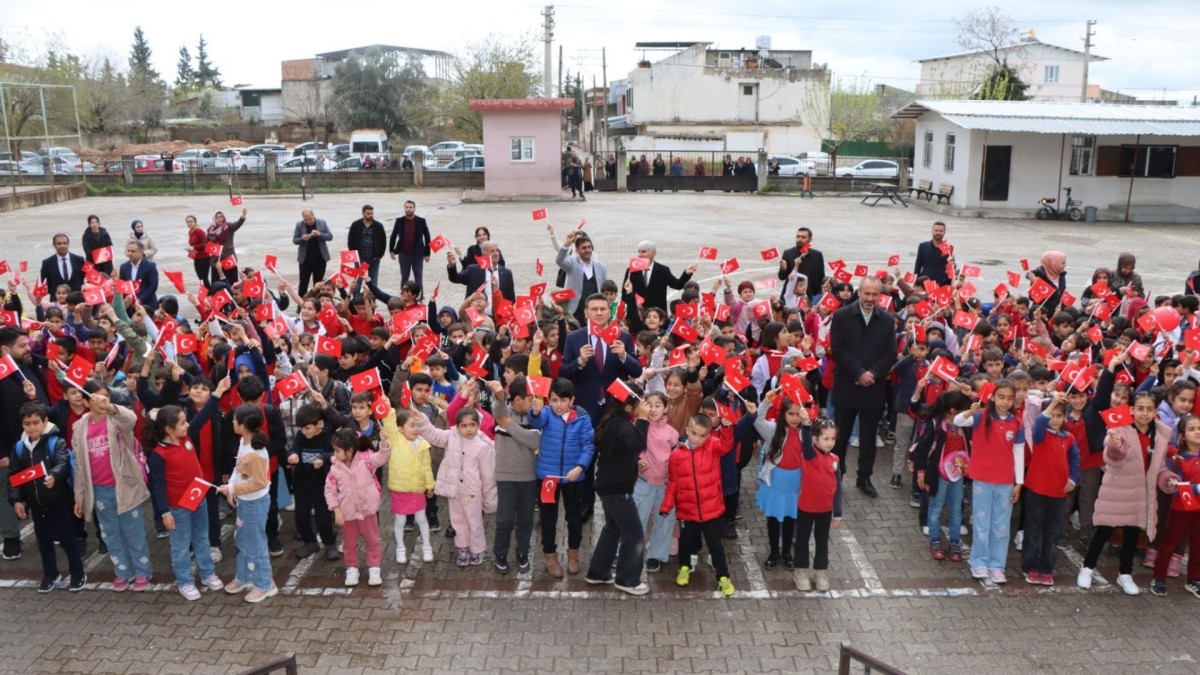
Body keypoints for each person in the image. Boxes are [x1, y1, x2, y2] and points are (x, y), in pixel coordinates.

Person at [1078, 391, 1169, 595]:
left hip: (1140, 496)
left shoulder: (1159, 437)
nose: (1144, 413)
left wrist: (1167, 479)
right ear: (1131, 410)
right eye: (1140, 408)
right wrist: (1115, 447)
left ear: (1155, 411)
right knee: (1103, 531)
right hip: (1116, 491)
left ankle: (1125, 574)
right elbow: (1111, 459)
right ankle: (1087, 568)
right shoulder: (1119, 431)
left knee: (1131, 535)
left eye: (1149, 409)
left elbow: (1160, 467)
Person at [71, 382, 152, 593]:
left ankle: (143, 571)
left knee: (133, 532)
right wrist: (79, 496)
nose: (101, 401)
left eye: (105, 396)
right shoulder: (79, 427)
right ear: (86, 401)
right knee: (110, 534)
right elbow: (79, 464)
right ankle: (123, 572)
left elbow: (132, 418)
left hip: (124, 486)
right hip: (98, 490)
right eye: (96, 397)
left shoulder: (116, 420)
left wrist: (111, 407)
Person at [146, 404, 225, 601]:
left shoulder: (186, 438)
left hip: (197, 500)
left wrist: (216, 395)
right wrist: (165, 513)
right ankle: (184, 581)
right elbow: (158, 487)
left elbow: (203, 416)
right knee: (180, 546)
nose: (187, 424)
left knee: (202, 538)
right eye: (182, 422)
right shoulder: (158, 455)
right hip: (178, 507)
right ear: (168, 428)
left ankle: (207, 573)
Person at [829, 278, 896, 497]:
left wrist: (873, 374)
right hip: (847, 386)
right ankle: (836, 477)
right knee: (839, 437)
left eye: (874, 295)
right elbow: (838, 348)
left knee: (868, 439)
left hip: (873, 389)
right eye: (866, 294)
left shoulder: (887, 320)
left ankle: (864, 478)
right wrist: (859, 372)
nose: (869, 299)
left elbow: (890, 353)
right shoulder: (841, 316)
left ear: (880, 295)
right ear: (859, 292)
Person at [953, 379, 1024, 584]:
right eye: (1001, 397)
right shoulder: (981, 416)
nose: (1005, 402)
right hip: (982, 480)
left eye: (1010, 398)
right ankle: (979, 562)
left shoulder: (1016, 422)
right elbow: (958, 421)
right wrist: (970, 411)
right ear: (992, 397)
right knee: (982, 524)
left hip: (1005, 481)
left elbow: (1018, 453)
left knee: (1001, 526)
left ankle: (997, 565)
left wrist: (1019, 482)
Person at [9, 402, 86, 592]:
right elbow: (14, 476)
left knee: (68, 538)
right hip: (36, 504)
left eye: (36, 422)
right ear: (22, 425)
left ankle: (78, 573)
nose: (32, 427)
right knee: (43, 541)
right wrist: (17, 500)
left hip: (58, 501)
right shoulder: (19, 448)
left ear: (45, 422)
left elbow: (63, 463)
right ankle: (51, 574)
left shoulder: (55, 442)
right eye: (27, 423)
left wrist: (54, 475)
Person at [584, 384, 651, 595]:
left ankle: (598, 572)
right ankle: (627, 579)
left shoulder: (615, 422)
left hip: (609, 486)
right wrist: (644, 419)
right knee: (634, 534)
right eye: (640, 402)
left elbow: (622, 450)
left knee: (612, 529)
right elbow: (636, 443)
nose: (644, 405)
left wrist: (634, 462)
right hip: (617, 490)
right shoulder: (623, 425)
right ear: (630, 407)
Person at [661, 413, 736, 596]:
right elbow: (673, 483)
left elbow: (727, 445)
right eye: (694, 433)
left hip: (713, 510)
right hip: (687, 511)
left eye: (703, 435)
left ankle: (723, 576)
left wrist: (726, 428)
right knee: (685, 543)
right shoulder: (676, 456)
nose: (697, 439)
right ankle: (684, 568)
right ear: (687, 430)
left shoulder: (713, 446)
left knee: (716, 545)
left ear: (709, 435)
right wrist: (666, 505)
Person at [413, 406, 497, 567]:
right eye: (464, 426)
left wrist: (489, 500)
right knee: (458, 521)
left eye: (472, 425)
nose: (468, 429)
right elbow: (433, 434)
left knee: (474, 522)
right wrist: (421, 420)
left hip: (472, 491)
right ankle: (463, 548)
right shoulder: (450, 436)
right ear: (457, 426)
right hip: (454, 490)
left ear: (478, 425)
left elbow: (488, 476)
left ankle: (477, 549)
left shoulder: (484, 446)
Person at [527, 378, 595, 578]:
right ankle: (550, 554)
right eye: (554, 400)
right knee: (548, 518)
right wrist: (536, 411)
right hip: (548, 477)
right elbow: (535, 421)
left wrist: (580, 467)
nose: (558, 405)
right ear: (549, 400)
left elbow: (588, 445)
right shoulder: (546, 413)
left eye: (562, 400)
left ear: (571, 400)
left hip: (572, 478)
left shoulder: (582, 417)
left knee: (574, 518)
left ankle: (574, 553)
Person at [217, 405, 276, 603]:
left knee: (256, 544)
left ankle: (265, 584)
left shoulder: (256, 453)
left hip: (255, 504)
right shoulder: (244, 442)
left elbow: (258, 482)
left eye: (234, 420)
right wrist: (232, 486)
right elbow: (238, 467)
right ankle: (244, 577)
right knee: (241, 539)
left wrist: (232, 490)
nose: (232, 422)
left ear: (242, 426)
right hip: (245, 502)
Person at [1022, 393, 1080, 586]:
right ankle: (1030, 567)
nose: (1055, 419)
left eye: (1059, 415)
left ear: (1065, 417)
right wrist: (1053, 402)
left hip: (1058, 494)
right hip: (1036, 491)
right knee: (1032, 532)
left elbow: (1075, 461)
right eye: (1052, 415)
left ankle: (1046, 568)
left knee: (1052, 533)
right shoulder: (1041, 435)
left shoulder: (1069, 438)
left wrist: (1072, 479)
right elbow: (1039, 424)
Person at [325, 425, 392, 587]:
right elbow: (329, 491)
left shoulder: (367, 460)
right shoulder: (335, 469)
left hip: (368, 510)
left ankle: (374, 567)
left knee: (373, 540)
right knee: (348, 543)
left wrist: (384, 443)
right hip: (347, 514)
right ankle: (351, 568)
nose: (335, 454)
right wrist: (336, 509)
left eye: (337, 450)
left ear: (349, 450)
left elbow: (383, 457)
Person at [489, 379, 541, 575]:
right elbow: (499, 406)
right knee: (504, 520)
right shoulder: (504, 413)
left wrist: (511, 426)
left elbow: (534, 440)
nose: (534, 401)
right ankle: (500, 554)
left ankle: (522, 553)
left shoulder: (536, 417)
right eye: (530, 398)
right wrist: (500, 395)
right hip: (506, 476)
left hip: (528, 477)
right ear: (517, 399)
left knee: (526, 519)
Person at [914, 389, 973, 563]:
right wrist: (921, 472)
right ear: (953, 411)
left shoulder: (964, 425)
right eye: (964, 410)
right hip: (937, 475)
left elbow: (979, 404)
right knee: (935, 508)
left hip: (957, 475)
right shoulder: (935, 425)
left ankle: (955, 542)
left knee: (956, 509)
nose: (967, 413)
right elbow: (922, 450)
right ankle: (935, 540)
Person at [754, 393, 806, 570]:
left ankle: (786, 554)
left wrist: (807, 421)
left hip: (795, 481)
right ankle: (774, 552)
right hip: (776, 479)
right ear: (783, 413)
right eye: (790, 413)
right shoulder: (774, 429)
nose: (794, 418)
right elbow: (758, 421)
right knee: (774, 519)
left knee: (791, 517)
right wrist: (766, 401)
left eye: (798, 414)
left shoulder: (806, 431)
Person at [1151, 415, 1200, 597]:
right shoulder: (1178, 459)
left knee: (1197, 547)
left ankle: (1194, 579)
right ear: (1182, 436)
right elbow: (1174, 486)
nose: (1197, 432)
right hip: (1181, 509)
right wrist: (1196, 488)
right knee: (1169, 544)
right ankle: (1159, 577)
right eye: (1192, 429)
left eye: (1199, 428)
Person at [793, 414, 843, 592]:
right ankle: (800, 572)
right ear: (815, 439)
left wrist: (837, 511)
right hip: (806, 507)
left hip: (825, 510)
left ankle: (820, 572)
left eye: (832, 439)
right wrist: (806, 424)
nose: (830, 442)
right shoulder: (809, 454)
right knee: (802, 540)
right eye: (825, 438)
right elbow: (805, 442)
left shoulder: (835, 460)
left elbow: (838, 487)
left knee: (822, 540)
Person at [288, 404, 340, 561]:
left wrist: (322, 458)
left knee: (323, 517)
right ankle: (310, 542)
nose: (304, 432)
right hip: (302, 483)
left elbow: (334, 454)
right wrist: (292, 455)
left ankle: (330, 544)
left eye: (308, 428)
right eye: (302, 429)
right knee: (301, 516)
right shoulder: (300, 436)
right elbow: (294, 448)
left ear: (318, 424)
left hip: (321, 484)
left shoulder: (327, 436)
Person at [385, 407, 435, 564]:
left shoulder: (423, 445)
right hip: (400, 490)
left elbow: (427, 467)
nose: (416, 429)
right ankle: (400, 547)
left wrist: (429, 485)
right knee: (400, 521)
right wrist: (389, 409)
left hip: (417, 489)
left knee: (422, 518)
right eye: (411, 425)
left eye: (417, 425)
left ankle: (427, 546)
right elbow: (388, 424)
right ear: (400, 429)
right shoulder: (396, 440)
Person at [550, 225, 609, 323]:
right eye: (584, 248)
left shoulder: (602, 267)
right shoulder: (571, 262)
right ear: (577, 250)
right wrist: (567, 243)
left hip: (594, 309)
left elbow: (605, 290)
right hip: (575, 309)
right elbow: (559, 260)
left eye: (589, 247)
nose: (587, 250)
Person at [623, 241, 697, 316]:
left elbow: (678, 285)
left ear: (653, 253)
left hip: (658, 316)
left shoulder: (663, 270)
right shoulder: (631, 270)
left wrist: (686, 273)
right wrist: (633, 302)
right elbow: (624, 294)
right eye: (638, 251)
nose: (640, 255)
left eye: (643, 252)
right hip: (638, 315)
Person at [446, 242, 516, 313]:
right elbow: (455, 278)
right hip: (475, 317)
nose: (496, 254)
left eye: (497, 250)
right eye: (492, 251)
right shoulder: (473, 270)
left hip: (498, 318)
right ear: (484, 254)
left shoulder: (506, 273)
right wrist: (452, 266)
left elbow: (510, 298)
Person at [388, 200, 431, 287]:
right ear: (404, 208)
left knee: (418, 277)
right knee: (404, 278)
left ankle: (419, 297)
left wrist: (427, 253)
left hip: (418, 255)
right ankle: (404, 297)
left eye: (411, 207)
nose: (409, 209)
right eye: (407, 207)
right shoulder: (399, 221)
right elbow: (393, 236)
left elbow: (427, 237)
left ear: (414, 209)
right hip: (403, 255)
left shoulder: (421, 221)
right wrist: (391, 250)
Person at [777, 227, 826, 301]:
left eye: (803, 237)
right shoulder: (788, 253)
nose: (800, 239)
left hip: (811, 297)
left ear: (810, 239)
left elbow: (821, 277)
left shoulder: (817, 255)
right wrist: (784, 269)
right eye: (798, 236)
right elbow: (781, 277)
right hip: (791, 297)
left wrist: (821, 296)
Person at [292, 209, 333, 297]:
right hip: (305, 260)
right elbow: (295, 240)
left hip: (320, 259)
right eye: (306, 220)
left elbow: (330, 236)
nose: (308, 221)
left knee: (318, 284)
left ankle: (317, 305)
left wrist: (319, 234)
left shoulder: (322, 223)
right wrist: (302, 239)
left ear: (313, 215)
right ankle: (301, 306)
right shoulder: (299, 225)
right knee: (303, 284)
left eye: (310, 219)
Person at [347, 205, 387, 290]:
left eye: (372, 213)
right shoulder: (356, 225)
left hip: (374, 258)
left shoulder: (378, 226)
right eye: (368, 213)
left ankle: (372, 300)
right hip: (360, 258)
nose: (370, 215)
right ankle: (355, 300)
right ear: (363, 213)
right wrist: (354, 255)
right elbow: (351, 240)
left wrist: (380, 255)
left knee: (373, 280)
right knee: (358, 280)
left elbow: (383, 240)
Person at [207, 208, 249, 287]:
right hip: (216, 260)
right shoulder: (210, 230)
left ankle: (232, 297)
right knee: (217, 284)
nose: (220, 219)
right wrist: (213, 248)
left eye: (221, 217)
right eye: (217, 217)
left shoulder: (228, 227)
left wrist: (243, 215)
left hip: (228, 259)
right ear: (214, 219)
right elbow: (206, 243)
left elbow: (237, 224)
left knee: (232, 283)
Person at [119, 240, 159, 309]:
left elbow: (153, 286)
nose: (130, 253)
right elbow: (123, 286)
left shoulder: (150, 266)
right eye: (128, 251)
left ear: (141, 252)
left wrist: (140, 300)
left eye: (133, 251)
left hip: (147, 304)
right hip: (130, 306)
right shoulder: (124, 267)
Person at [913, 221, 953, 286]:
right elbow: (917, 266)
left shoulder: (949, 248)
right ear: (932, 231)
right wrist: (916, 283)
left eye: (940, 231)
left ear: (944, 232)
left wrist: (951, 264)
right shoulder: (923, 246)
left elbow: (952, 270)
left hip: (942, 284)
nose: (938, 232)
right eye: (936, 230)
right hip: (925, 283)